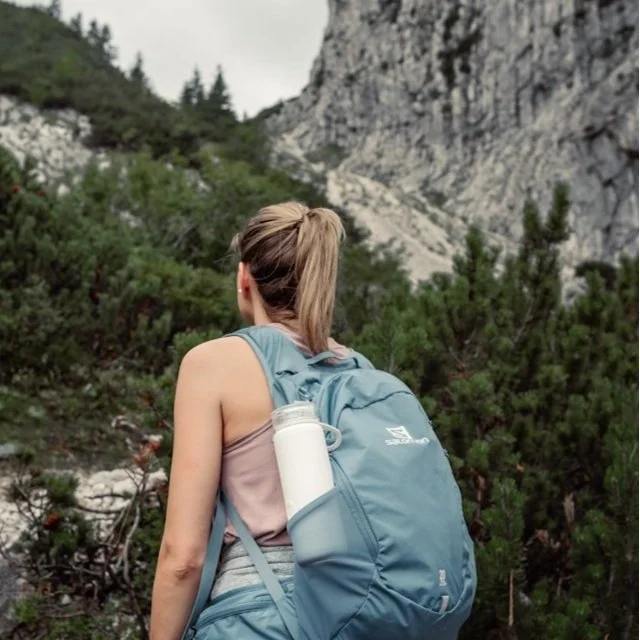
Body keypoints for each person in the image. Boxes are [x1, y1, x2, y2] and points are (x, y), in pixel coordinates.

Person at [149, 202, 350, 640]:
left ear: (244, 278)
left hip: (258, 617)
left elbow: (183, 558)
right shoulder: (361, 371)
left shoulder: (213, 364)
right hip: (356, 612)